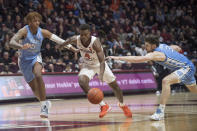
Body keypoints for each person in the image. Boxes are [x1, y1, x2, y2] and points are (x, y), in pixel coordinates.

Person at [107, 34, 197, 120]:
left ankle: (160, 111)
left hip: (186, 68)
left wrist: (117, 58)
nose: (145, 47)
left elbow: (137, 59)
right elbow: (177, 48)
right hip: (188, 65)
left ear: (153, 45)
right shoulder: (163, 45)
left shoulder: (155, 54)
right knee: (194, 90)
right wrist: (179, 56)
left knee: (166, 81)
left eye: (147, 45)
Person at [60, 24, 132, 118]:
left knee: (115, 86)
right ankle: (103, 105)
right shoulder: (76, 39)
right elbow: (68, 40)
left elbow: (102, 61)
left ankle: (122, 105)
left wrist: (101, 74)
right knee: (82, 81)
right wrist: (61, 46)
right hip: (88, 65)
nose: (83, 37)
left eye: (85, 34)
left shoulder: (95, 42)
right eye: (81, 35)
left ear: (89, 33)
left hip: (99, 64)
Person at [9, 12, 72, 118]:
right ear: (29, 22)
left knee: (38, 74)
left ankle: (43, 107)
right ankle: (45, 102)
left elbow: (59, 40)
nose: (37, 22)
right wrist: (21, 46)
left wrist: (71, 47)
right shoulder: (23, 31)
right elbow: (11, 42)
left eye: (38, 20)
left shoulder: (43, 32)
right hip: (23, 61)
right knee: (34, 88)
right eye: (34, 21)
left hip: (36, 57)